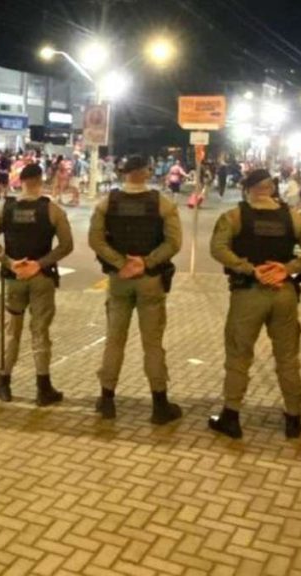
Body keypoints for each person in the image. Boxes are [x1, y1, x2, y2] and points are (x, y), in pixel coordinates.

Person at [207, 170, 301, 439]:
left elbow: (218, 249)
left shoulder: (234, 216)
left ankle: (232, 416)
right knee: (287, 357)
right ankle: (294, 418)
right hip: (284, 293)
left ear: (247, 188)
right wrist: (287, 268)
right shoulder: (293, 217)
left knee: (238, 355)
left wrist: (249, 269)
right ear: (271, 188)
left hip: (248, 293)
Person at [89, 155, 183, 424]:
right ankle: (159, 404)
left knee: (114, 339)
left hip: (119, 279)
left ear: (125, 173)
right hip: (150, 280)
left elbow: (95, 240)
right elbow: (174, 242)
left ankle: (107, 400)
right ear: (146, 172)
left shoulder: (108, 203)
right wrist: (146, 262)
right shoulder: (162, 203)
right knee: (152, 343)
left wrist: (121, 263)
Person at [0, 163, 73, 406]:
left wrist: (11, 262)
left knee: (12, 331)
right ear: (40, 180)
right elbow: (66, 245)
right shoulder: (52, 210)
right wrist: (40, 264)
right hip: (41, 278)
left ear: (20, 181)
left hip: (14, 279)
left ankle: (4, 383)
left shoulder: (3, 208)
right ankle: (43, 389)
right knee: (40, 331)